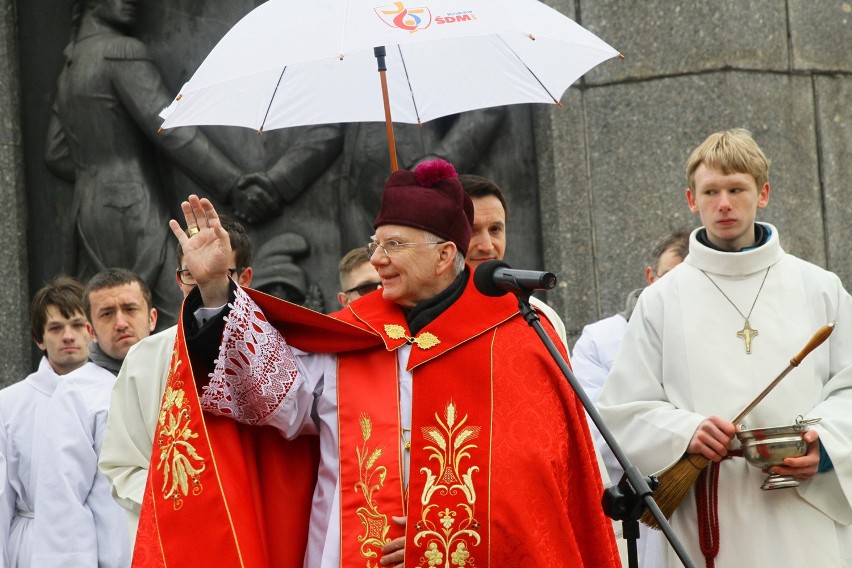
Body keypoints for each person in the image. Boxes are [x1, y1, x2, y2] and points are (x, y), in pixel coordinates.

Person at [135, 159, 620, 567]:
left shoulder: (514, 333)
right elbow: (270, 400)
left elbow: (540, 480)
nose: (378, 260)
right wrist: (216, 289)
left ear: (445, 254)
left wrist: (442, 542)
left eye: (394, 245)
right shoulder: (349, 332)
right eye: (376, 244)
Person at [598, 128, 852, 566]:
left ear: (763, 193)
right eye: (711, 191)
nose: (724, 204)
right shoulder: (662, 299)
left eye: (737, 189)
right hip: (708, 511)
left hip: (799, 509)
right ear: (691, 199)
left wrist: (824, 447)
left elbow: (848, 388)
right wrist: (685, 432)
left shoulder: (820, 288)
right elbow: (622, 410)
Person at [98, 217, 253, 544]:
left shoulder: (277, 348)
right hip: (177, 535)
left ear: (246, 277)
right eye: (191, 273)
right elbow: (123, 465)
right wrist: (180, 502)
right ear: (179, 279)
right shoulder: (144, 359)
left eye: (218, 271)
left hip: (255, 523)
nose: (203, 281)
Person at [572, 228, 688, 568]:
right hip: (641, 507)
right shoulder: (603, 340)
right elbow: (595, 429)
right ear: (651, 277)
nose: (676, 291)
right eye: (668, 278)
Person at [31, 269, 158, 566]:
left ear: (152, 318)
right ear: (90, 330)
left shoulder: (181, 373)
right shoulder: (76, 394)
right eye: (106, 314)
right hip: (122, 556)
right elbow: (63, 501)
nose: (121, 323)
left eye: (129, 309)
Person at [0, 277, 96, 566]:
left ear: (90, 330)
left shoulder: (112, 393)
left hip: (94, 541)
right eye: (55, 328)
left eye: (77, 324)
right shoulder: (9, 404)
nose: (68, 336)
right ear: (39, 339)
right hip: (29, 545)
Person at [459, 173, 568, 346]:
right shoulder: (416, 317)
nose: (487, 246)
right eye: (472, 231)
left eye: (495, 229)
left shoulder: (541, 317)